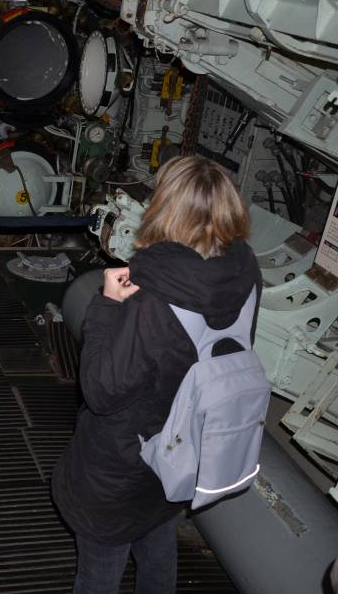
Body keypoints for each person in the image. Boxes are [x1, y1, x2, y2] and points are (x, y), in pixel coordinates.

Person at [52, 156, 261, 593]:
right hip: (181, 453)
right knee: (158, 551)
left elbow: (100, 392)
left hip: (124, 465)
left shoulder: (153, 302)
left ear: (164, 208)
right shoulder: (247, 275)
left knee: (100, 571)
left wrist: (107, 305)